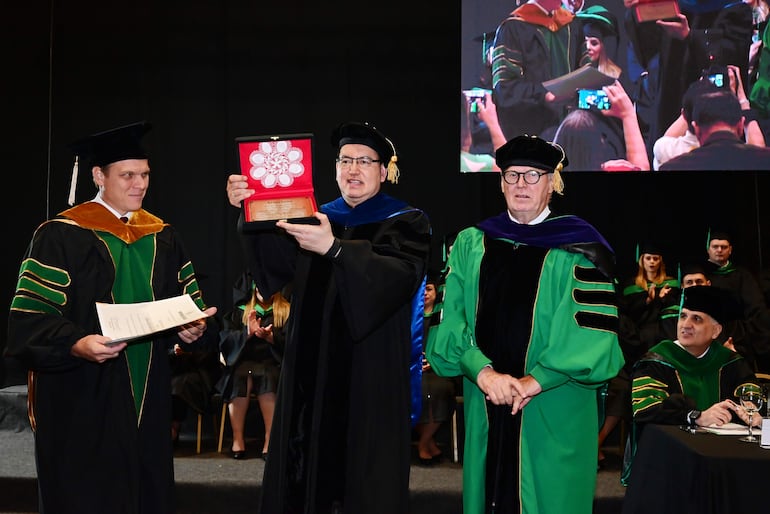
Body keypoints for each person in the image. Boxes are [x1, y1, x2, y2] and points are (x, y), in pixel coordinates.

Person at [5, 121, 217, 514]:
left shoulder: (163, 236)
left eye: (145, 175)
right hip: (82, 393)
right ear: (98, 176)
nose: (139, 184)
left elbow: (188, 304)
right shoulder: (60, 235)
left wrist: (194, 330)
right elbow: (29, 319)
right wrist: (76, 343)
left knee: (144, 489)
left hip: (148, 396)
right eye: (128, 175)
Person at [226, 121, 431, 514]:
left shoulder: (406, 222)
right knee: (305, 474)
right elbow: (277, 269)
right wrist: (249, 209)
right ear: (335, 167)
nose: (353, 169)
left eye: (365, 161)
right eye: (345, 160)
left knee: (361, 478)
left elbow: (399, 279)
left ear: (384, 171)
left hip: (368, 371)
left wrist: (336, 250)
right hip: (311, 370)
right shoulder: (316, 216)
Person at [425, 134, 625, 514]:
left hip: (553, 403)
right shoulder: (471, 243)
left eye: (533, 176)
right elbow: (450, 320)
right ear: (500, 182)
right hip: (487, 400)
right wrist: (483, 373)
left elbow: (590, 334)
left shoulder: (580, 249)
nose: (521, 184)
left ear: (553, 183)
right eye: (513, 175)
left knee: (551, 499)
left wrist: (535, 381)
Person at [622, 285, 759, 485]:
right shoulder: (656, 361)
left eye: (696, 319)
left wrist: (750, 407)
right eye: (683, 316)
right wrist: (696, 416)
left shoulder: (729, 360)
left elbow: (749, 386)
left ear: (716, 331)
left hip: (721, 463)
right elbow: (645, 409)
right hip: (668, 464)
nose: (685, 325)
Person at [216, 270, 289, 460]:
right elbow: (225, 340)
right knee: (241, 376)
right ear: (254, 289)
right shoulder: (241, 311)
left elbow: (295, 343)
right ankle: (237, 440)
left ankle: (269, 441)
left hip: (273, 364)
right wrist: (247, 333)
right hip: (243, 363)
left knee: (267, 376)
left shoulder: (287, 311)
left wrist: (272, 337)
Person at [490, 0, 589, 139]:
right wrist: (545, 95)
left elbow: (587, 73)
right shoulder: (513, 28)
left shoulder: (573, 25)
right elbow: (505, 90)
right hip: (531, 135)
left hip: (574, 132)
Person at [653, 68, 765, 169]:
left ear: (696, 128)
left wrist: (696, 93)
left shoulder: (671, 161)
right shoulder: (759, 160)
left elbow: (664, 141)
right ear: (741, 126)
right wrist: (741, 99)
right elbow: (758, 148)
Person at [704, 229, 770, 372]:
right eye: (715, 247)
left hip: (739, 336)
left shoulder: (742, 276)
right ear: (708, 250)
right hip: (709, 334)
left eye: (724, 247)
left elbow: (756, 307)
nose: (719, 250)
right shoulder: (701, 276)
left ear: (730, 250)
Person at [553, 80, 650, 171]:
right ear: (601, 142)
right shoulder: (614, 168)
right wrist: (628, 114)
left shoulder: (545, 180)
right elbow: (641, 168)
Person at [413, 273, 456, 465]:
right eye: (422, 290)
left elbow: (449, 346)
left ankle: (423, 443)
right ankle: (428, 444)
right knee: (420, 392)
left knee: (440, 391)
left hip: (439, 370)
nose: (425, 293)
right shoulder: (411, 319)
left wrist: (433, 361)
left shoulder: (443, 318)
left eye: (429, 289)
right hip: (413, 371)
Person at [169, 338, 222, 445]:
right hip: (174, 370)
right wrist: (173, 351)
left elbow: (211, 351)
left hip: (201, 372)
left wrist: (189, 352)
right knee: (167, 382)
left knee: (179, 385)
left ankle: (174, 427)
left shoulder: (209, 324)